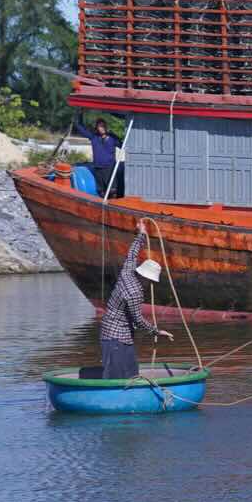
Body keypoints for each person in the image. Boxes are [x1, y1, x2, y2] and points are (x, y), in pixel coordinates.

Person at [97, 228, 172, 379]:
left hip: (118, 334)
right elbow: (138, 319)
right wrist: (157, 331)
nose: (151, 284)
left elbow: (131, 255)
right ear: (146, 278)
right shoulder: (135, 293)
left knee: (131, 371)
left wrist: (142, 234)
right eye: (151, 281)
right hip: (115, 337)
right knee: (116, 375)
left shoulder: (127, 272)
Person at [76, 117, 124, 198]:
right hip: (98, 167)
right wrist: (80, 114)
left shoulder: (112, 137)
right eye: (100, 126)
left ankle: (113, 206)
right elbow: (81, 129)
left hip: (109, 168)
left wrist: (115, 137)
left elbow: (123, 145)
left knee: (112, 191)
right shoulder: (94, 137)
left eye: (104, 126)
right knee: (101, 191)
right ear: (97, 128)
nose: (102, 128)